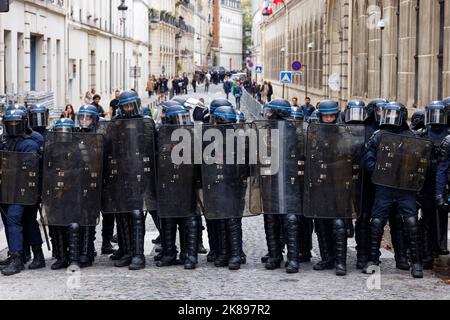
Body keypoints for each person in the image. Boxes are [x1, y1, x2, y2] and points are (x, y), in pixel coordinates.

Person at [363, 102, 425, 278]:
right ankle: (373, 260)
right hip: (384, 187)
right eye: (388, 114)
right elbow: (368, 161)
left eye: (394, 115)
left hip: (405, 189)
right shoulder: (378, 136)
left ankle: (416, 263)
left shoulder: (411, 136)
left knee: (412, 223)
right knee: (376, 223)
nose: (391, 118)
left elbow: (419, 163)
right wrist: (382, 171)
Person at [0, 108, 44, 276]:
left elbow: (29, 168)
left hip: (25, 189)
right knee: (13, 221)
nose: (12, 126)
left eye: (15, 123)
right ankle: (19, 254)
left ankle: (21, 257)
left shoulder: (30, 142)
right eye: (9, 123)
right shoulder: (4, 142)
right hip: (7, 190)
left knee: (16, 220)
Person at [260, 99, 301, 274]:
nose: (268, 115)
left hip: (290, 182)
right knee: (270, 218)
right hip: (270, 180)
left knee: (290, 219)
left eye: (271, 112)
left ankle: (293, 258)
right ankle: (275, 255)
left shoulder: (295, 132)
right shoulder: (265, 132)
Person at [417, 101, 450, 268]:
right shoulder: (423, 133)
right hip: (426, 181)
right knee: (427, 218)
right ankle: (427, 253)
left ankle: (439, 247)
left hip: (444, 182)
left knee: (442, 217)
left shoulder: (448, 134)